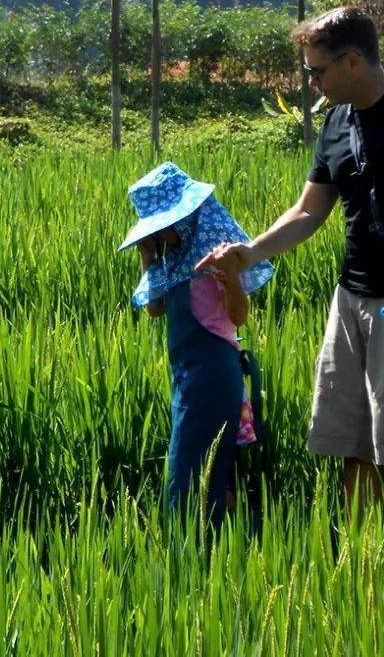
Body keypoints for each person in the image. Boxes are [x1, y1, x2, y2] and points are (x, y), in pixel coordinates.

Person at [198, 6, 384, 516]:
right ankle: (361, 553)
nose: (312, 83)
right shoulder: (336, 122)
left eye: (316, 71)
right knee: (352, 442)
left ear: (352, 62)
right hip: (350, 301)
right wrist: (249, 252)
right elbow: (308, 210)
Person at [120, 163, 273, 527]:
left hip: (214, 375)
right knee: (191, 466)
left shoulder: (212, 256)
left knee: (196, 469)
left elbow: (238, 316)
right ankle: (218, 538)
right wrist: (147, 255)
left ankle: (214, 540)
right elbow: (154, 307)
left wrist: (230, 277)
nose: (160, 234)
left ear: (185, 218)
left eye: (163, 226)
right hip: (187, 380)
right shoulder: (173, 260)